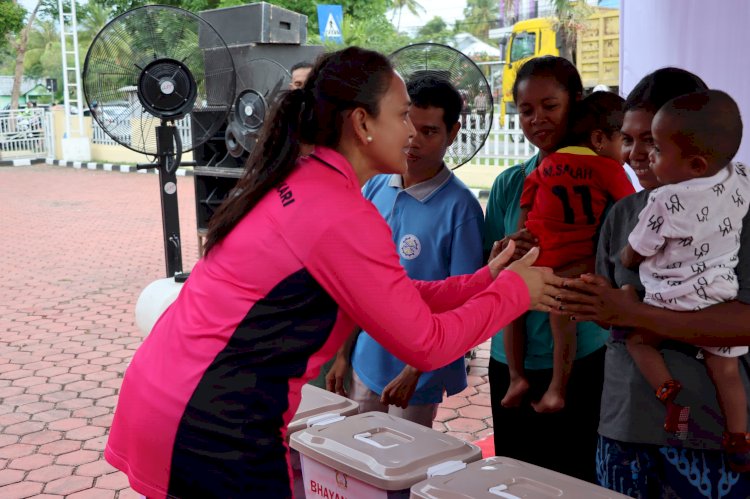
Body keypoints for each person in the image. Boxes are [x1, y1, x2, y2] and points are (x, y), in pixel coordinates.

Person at [104, 47, 564, 499]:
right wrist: (515, 292)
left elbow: (393, 294)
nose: (411, 132)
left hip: (169, 399)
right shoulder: (339, 211)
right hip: (212, 425)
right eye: (402, 116)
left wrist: (487, 279)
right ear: (362, 124)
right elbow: (428, 344)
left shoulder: (305, 180)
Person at [560, 68, 750, 497]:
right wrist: (584, 298)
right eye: (628, 139)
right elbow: (609, 311)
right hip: (625, 427)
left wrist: (633, 312)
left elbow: (744, 322)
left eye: (652, 141)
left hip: (713, 435)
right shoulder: (625, 214)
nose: (634, 154)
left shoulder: (741, 209)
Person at [326, 75, 484, 427]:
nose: (414, 142)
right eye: (409, 127)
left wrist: (416, 370)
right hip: (366, 359)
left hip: (420, 375)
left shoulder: (462, 210)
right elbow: (357, 282)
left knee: (402, 465)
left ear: (453, 133)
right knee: (359, 458)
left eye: (429, 132)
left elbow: (462, 302)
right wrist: (342, 354)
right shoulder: (376, 185)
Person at [484, 55, 608, 483]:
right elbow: (487, 269)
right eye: (526, 110)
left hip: (583, 357)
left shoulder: (602, 178)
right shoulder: (510, 183)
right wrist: (503, 252)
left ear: (575, 102)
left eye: (550, 106)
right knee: (516, 480)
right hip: (509, 360)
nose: (537, 119)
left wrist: (573, 264)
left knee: (575, 479)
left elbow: (619, 259)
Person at [619, 90, 749, 468]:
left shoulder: (665, 199)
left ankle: (667, 389)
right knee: (726, 371)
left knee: (638, 339)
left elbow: (636, 250)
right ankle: (739, 438)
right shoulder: (739, 178)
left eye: (657, 149)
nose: (647, 157)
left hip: (668, 300)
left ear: (694, 164)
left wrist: (626, 258)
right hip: (719, 299)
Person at [502, 91, 634, 413]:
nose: (628, 153)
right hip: (570, 266)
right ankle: (556, 390)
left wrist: (518, 247)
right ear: (600, 139)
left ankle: (516, 376)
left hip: (534, 257)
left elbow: (525, 206)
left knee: (510, 308)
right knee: (562, 323)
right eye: (625, 141)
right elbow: (631, 209)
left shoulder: (547, 164)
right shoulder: (609, 169)